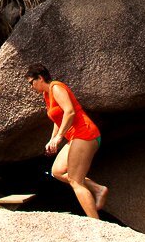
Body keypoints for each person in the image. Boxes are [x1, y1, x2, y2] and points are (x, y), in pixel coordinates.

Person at [24, 63, 108, 218]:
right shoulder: (47, 95)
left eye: (31, 83)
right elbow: (58, 119)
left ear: (40, 78)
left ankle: (96, 224)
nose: (31, 87)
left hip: (85, 133)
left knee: (76, 181)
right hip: (76, 137)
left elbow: (69, 112)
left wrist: (59, 137)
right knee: (57, 171)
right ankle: (97, 189)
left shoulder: (56, 87)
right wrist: (52, 140)